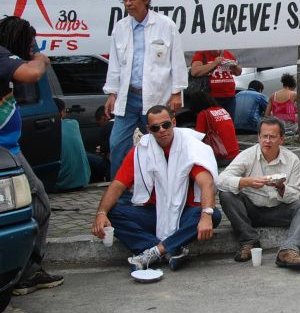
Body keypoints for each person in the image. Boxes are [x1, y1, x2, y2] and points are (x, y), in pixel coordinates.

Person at [91, 105, 222, 271]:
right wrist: (101, 213)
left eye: (166, 125)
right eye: (155, 127)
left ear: (173, 122)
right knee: (112, 213)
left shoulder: (189, 146)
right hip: (153, 213)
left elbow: (206, 183)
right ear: (148, 130)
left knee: (213, 214)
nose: (162, 130)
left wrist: (206, 215)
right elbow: (117, 185)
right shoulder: (141, 150)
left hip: (183, 212)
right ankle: (170, 249)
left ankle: (154, 252)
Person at [0, 16, 63, 296]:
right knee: (40, 205)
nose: (32, 47)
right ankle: (27, 272)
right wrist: (41, 57)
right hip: (5, 152)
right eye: (30, 41)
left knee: (26, 208)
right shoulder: (2, 55)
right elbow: (31, 73)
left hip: (11, 148)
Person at [103, 0, 186, 179]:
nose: (128, 4)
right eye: (125, 0)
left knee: (160, 144)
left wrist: (177, 92)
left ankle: (164, 185)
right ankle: (120, 192)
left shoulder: (165, 25)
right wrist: (112, 92)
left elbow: (177, 61)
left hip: (157, 97)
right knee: (117, 144)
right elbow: (115, 63)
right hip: (128, 95)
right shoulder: (120, 27)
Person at [218, 117, 300, 270]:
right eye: (264, 136)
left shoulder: (292, 160)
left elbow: (296, 194)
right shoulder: (247, 156)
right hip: (251, 209)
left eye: (272, 137)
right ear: (258, 137)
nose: (267, 141)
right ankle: (249, 240)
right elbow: (221, 180)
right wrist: (246, 182)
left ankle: (289, 249)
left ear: (281, 139)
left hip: (278, 210)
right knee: (226, 194)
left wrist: (281, 188)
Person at [190, 49, 242, 118]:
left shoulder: (228, 54)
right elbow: (194, 72)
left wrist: (235, 66)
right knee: (213, 123)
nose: (218, 50)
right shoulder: (201, 53)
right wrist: (214, 63)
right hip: (211, 97)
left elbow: (238, 73)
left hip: (229, 96)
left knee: (229, 122)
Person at [192, 91, 240, 164]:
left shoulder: (203, 114)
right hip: (236, 155)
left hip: (222, 157)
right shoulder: (222, 110)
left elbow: (198, 138)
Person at [53, 98, 91, 190]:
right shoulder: (74, 123)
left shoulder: (48, 128)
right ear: (62, 112)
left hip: (59, 184)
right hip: (83, 180)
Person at [87, 106, 112, 182]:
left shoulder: (105, 127)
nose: (99, 126)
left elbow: (106, 152)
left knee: (85, 155)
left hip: (110, 165)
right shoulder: (124, 126)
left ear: (103, 118)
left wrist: (100, 151)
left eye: (99, 123)